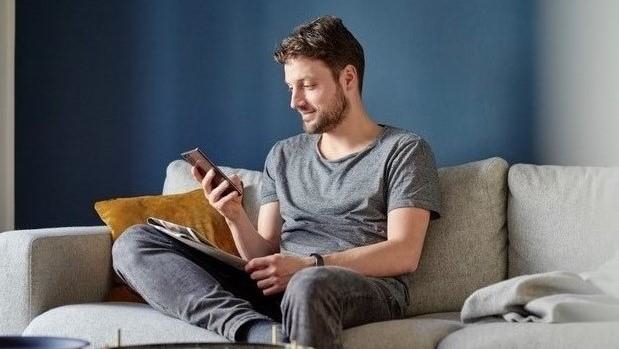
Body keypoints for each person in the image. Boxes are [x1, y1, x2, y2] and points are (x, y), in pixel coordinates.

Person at [112, 15, 441, 349]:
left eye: (308, 86)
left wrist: (308, 266)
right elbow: (264, 252)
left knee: (308, 284)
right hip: (281, 289)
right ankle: (256, 332)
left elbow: (404, 252)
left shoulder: (404, 150)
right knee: (133, 243)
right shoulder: (283, 155)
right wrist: (234, 214)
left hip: (361, 288)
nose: (295, 101)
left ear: (348, 79)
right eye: (291, 87)